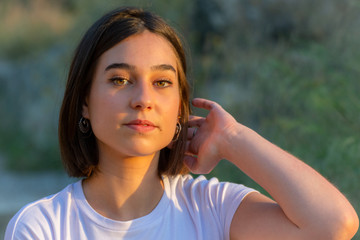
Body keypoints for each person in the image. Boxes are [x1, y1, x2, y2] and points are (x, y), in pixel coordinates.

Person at [5, 6, 359, 240]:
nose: (143, 99)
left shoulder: (210, 208)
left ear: (179, 107)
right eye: (119, 80)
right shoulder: (44, 226)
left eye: (162, 83)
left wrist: (233, 138)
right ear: (84, 102)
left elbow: (333, 224)